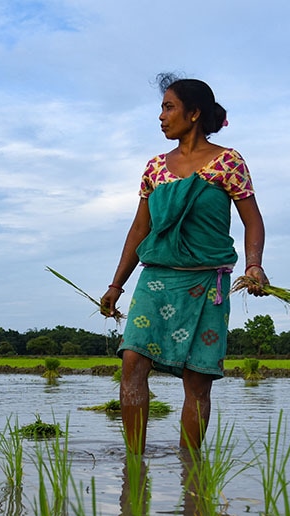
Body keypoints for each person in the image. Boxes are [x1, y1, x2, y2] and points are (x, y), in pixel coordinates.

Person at [100, 74, 269, 453]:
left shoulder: (228, 162)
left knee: (197, 380)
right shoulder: (155, 168)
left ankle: (191, 470)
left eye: (168, 107)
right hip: (156, 278)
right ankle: (134, 466)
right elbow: (140, 228)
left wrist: (253, 265)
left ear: (193, 114)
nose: (161, 116)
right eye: (162, 108)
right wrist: (116, 285)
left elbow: (252, 220)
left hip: (206, 283)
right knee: (132, 362)